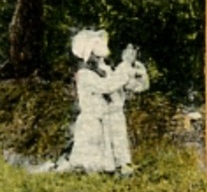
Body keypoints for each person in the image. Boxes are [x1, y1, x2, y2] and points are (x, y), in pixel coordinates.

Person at [56, 30, 148, 174]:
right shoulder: (85, 74)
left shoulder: (107, 70)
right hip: (93, 120)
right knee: (93, 157)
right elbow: (107, 86)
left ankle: (122, 167)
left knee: (118, 143)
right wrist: (124, 66)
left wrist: (136, 72)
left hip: (111, 115)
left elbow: (133, 86)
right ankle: (90, 170)